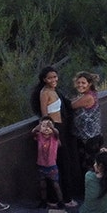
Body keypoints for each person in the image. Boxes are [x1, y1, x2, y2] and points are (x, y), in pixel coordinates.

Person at [29, 66, 75, 199]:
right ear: (44, 79)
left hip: (60, 126)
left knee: (64, 162)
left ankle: (64, 196)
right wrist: (49, 132)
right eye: (50, 78)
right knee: (60, 162)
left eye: (55, 77)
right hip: (54, 129)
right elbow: (45, 115)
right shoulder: (44, 93)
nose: (53, 80)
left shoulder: (54, 90)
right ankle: (61, 198)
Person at [70, 71, 103, 198]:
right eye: (78, 83)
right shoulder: (88, 95)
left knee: (90, 166)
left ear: (89, 84)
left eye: (83, 83)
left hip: (89, 139)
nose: (80, 85)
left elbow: (71, 106)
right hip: (89, 137)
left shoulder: (88, 97)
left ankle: (92, 192)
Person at [32, 116, 73, 209]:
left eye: (49, 126)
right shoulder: (39, 137)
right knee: (42, 185)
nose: (46, 128)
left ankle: (61, 201)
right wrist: (37, 128)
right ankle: (43, 201)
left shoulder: (54, 138)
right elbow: (33, 133)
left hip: (52, 166)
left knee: (56, 185)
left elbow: (57, 133)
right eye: (43, 126)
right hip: (41, 165)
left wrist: (52, 127)